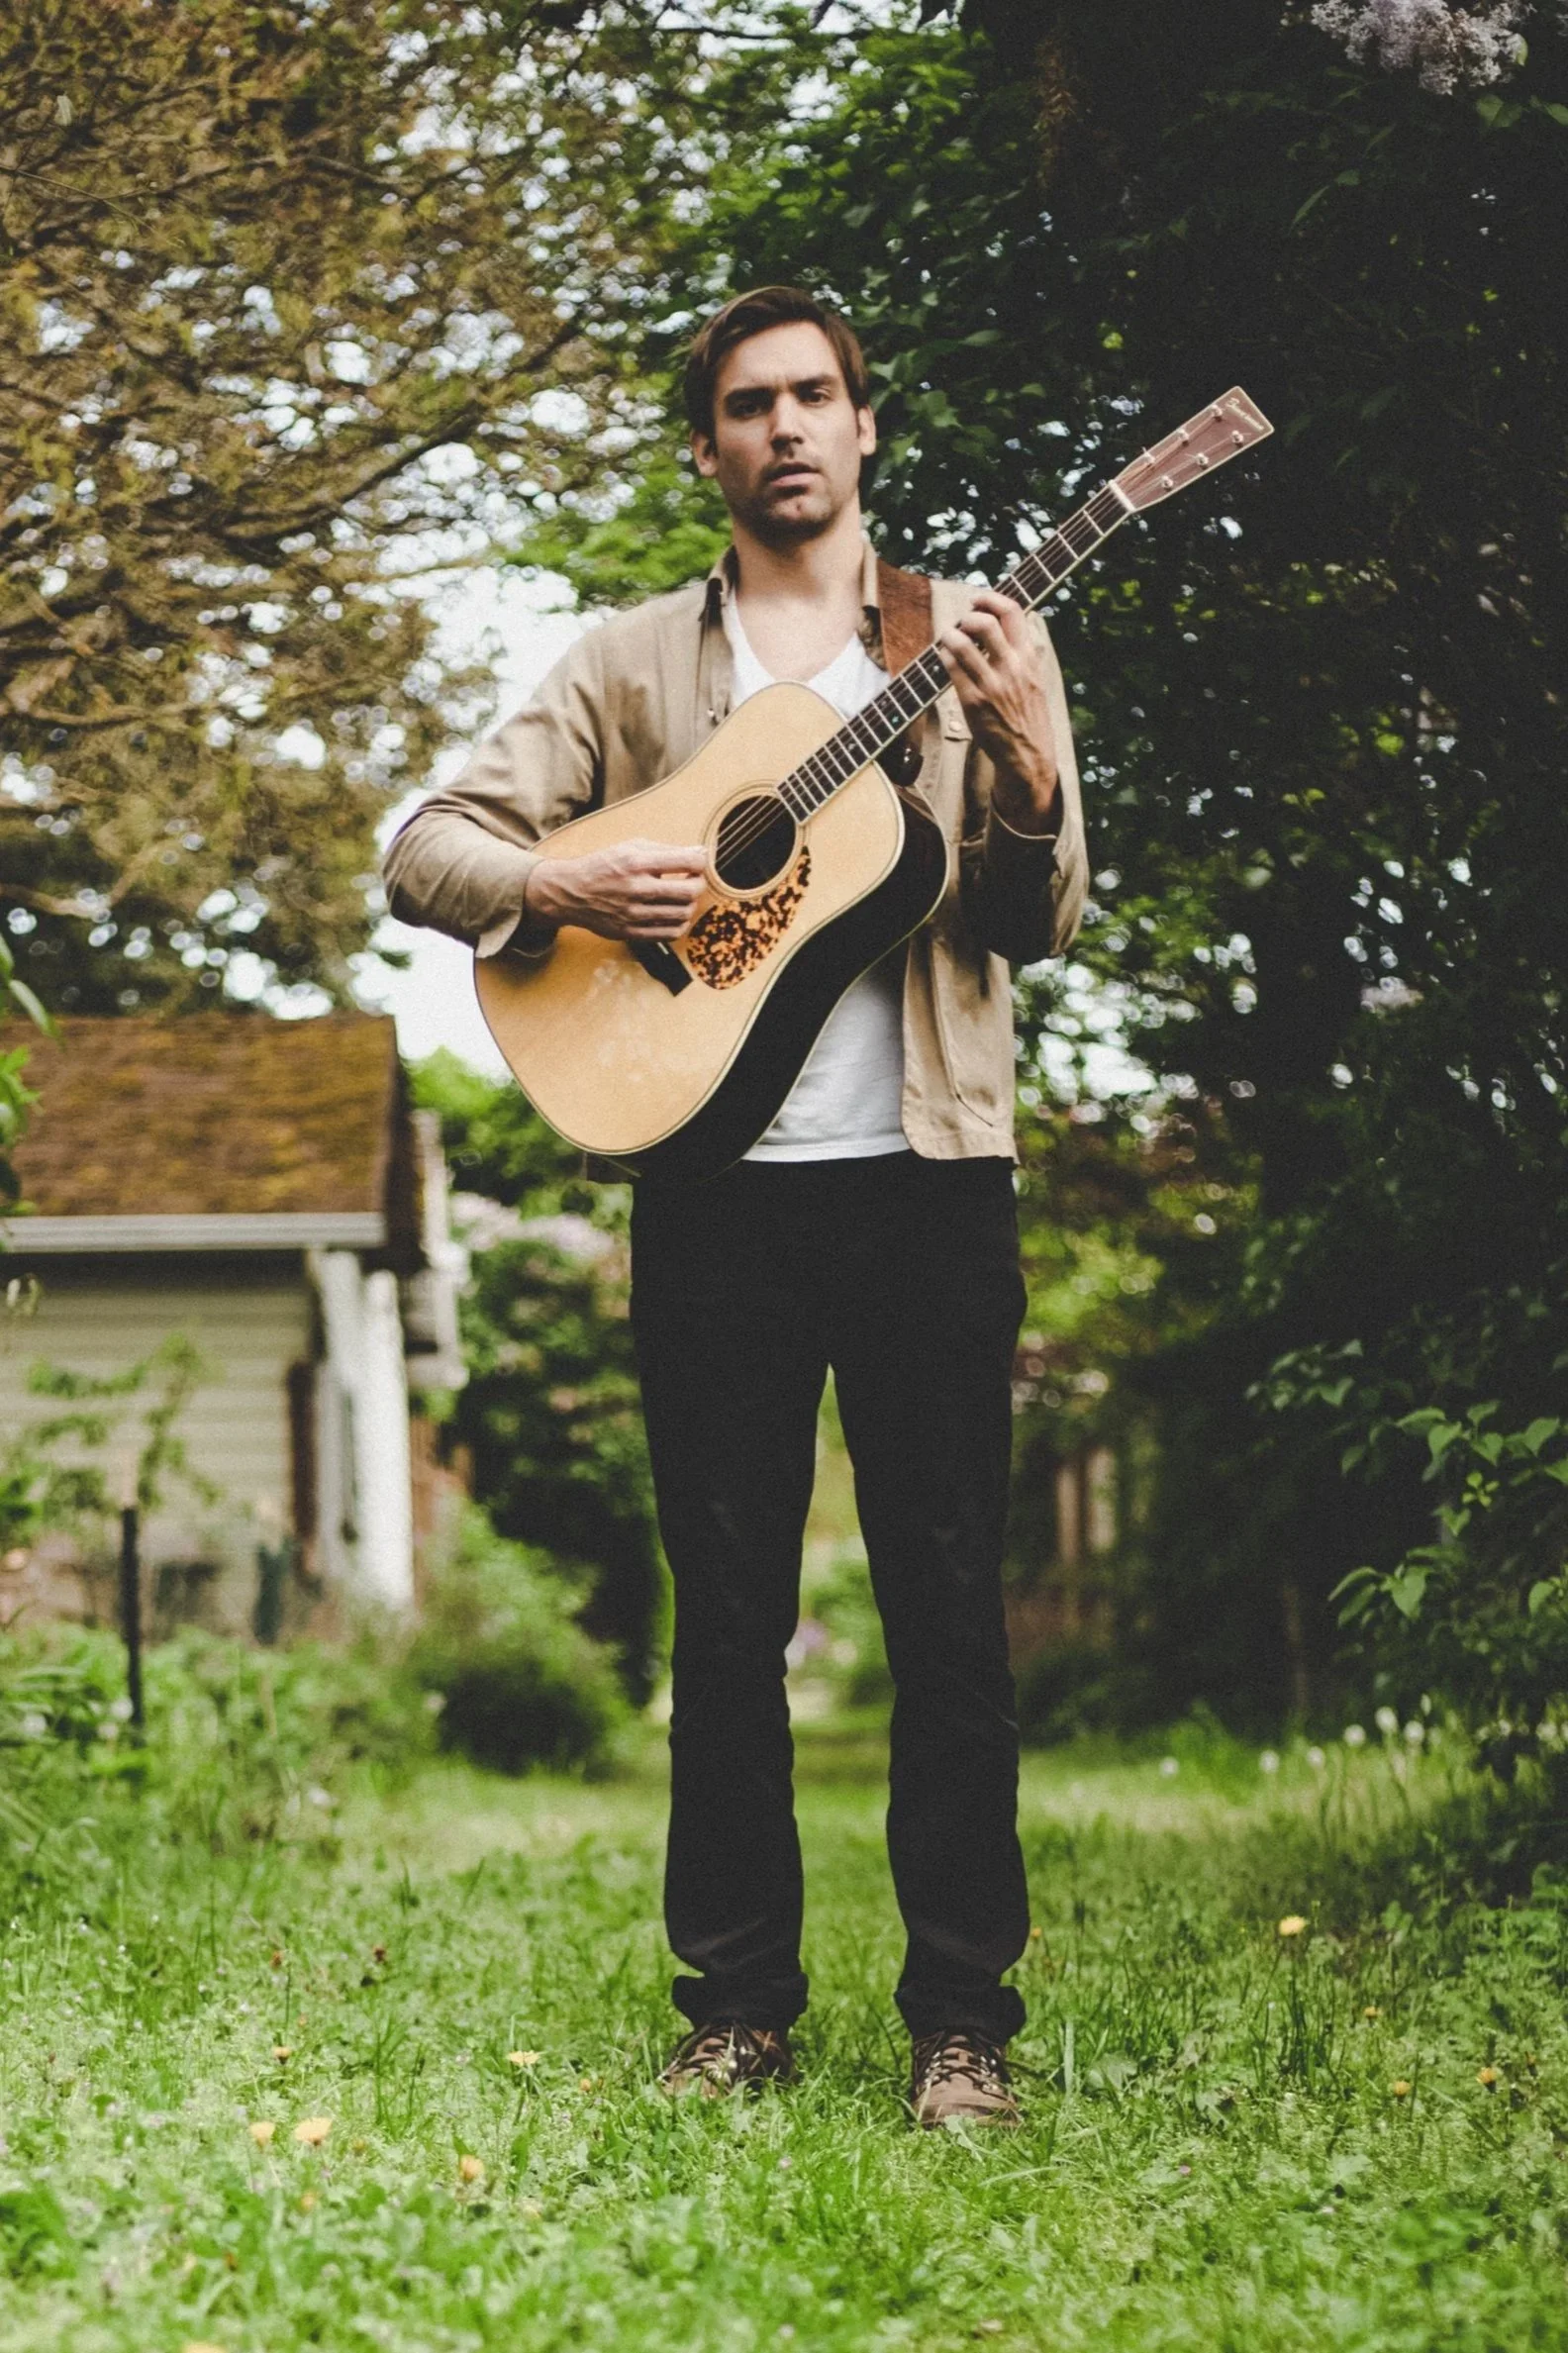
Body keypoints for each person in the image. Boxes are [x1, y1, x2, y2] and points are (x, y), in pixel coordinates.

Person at [384, 286, 1087, 2127]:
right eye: (750, 403)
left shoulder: (977, 643)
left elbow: (1037, 919)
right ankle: (739, 2015)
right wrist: (565, 877)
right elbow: (423, 847)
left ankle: (962, 2030)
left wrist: (1020, 757)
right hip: (712, 1190)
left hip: (933, 1181)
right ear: (708, 447)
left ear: (867, 429)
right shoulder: (629, 666)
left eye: (818, 397)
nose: (787, 426)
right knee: (725, 1623)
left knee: (947, 1611)